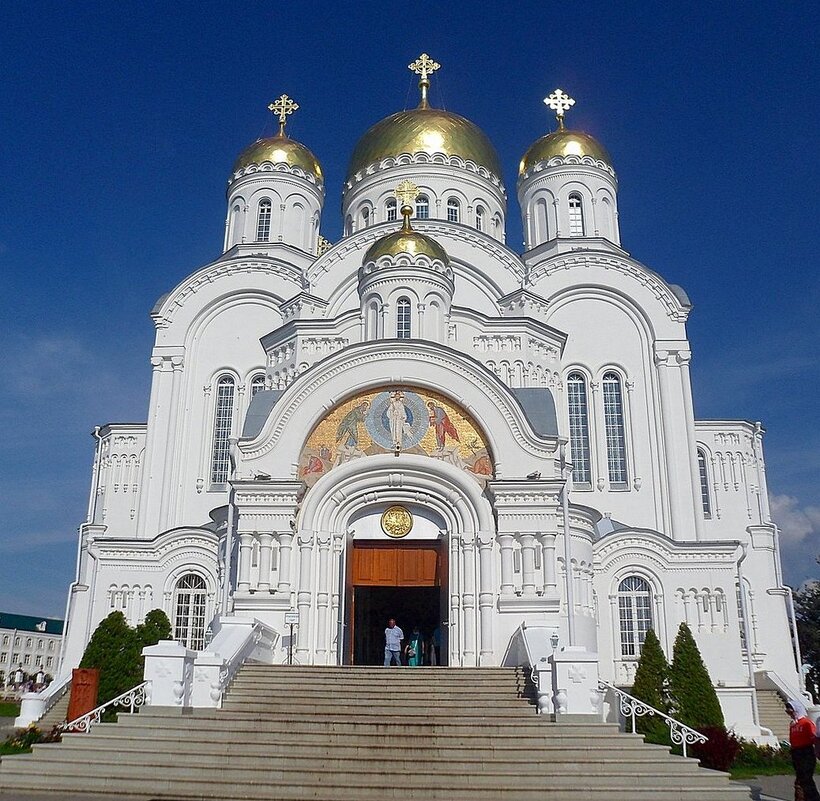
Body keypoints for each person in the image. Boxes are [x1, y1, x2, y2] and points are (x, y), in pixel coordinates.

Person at [786, 698, 820, 801]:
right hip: (796, 752)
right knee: (800, 778)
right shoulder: (793, 725)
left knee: (806, 778)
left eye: (791, 710)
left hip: (806, 752)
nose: (789, 712)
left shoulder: (806, 723)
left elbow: (813, 737)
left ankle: (814, 798)